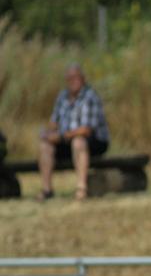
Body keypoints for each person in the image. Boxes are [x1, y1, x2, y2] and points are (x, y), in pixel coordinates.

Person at [37, 63, 110, 201]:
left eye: (76, 77)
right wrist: (48, 134)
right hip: (66, 140)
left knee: (78, 142)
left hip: (94, 141)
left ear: (83, 79)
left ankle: (81, 188)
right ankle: (47, 190)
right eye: (70, 78)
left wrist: (62, 136)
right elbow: (54, 122)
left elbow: (87, 130)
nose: (73, 81)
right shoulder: (62, 96)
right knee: (45, 145)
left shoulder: (90, 96)